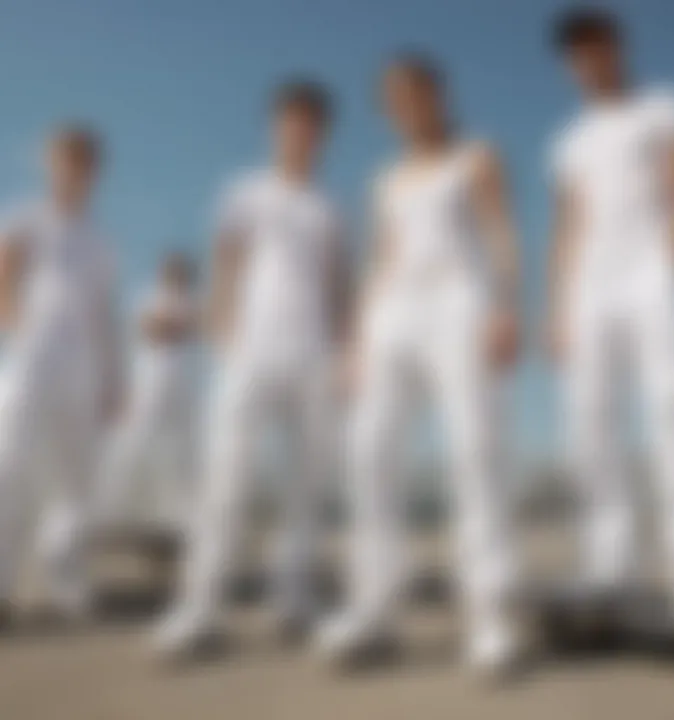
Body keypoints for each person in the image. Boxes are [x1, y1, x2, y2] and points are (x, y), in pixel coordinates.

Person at [317, 53, 524, 680]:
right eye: (394, 98)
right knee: (370, 452)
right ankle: (374, 608)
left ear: (438, 93)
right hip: (391, 317)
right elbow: (378, 262)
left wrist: (507, 307)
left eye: (416, 91)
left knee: (472, 450)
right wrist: (354, 343)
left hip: (457, 305)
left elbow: (500, 232)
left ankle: (490, 617)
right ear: (388, 110)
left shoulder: (476, 155)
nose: (406, 105)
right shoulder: (384, 179)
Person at [546, 8, 674, 656]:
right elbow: (570, 222)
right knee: (589, 421)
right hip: (589, 285)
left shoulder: (664, 106)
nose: (587, 61)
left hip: (651, 269)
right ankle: (611, 566)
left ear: (617, 47)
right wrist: (559, 305)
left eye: (596, 46)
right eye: (576, 53)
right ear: (570, 64)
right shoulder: (569, 140)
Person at [155, 79, 349, 655]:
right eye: (290, 119)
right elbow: (226, 260)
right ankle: (200, 609)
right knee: (226, 479)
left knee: (308, 485)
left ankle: (294, 600)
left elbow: (340, 285)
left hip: (314, 353)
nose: (300, 130)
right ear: (274, 126)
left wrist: (344, 349)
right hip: (251, 349)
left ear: (323, 133)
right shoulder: (244, 190)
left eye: (311, 122)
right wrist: (223, 326)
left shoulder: (330, 208)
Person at [0, 126, 121, 623]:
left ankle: (66, 585)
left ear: (94, 171)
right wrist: (16, 324)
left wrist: (115, 379)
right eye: (66, 159)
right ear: (51, 164)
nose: (75, 169)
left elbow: (105, 315)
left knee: (76, 481)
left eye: (84, 161)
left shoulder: (101, 243)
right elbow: (4, 273)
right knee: (9, 464)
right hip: (32, 355)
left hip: (83, 366)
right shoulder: (27, 218)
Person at [95, 252, 200, 533]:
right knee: (134, 441)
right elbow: (151, 328)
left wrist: (176, 326)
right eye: (174, 270)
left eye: (183, 272)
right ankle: (108, 508)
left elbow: (195, 328)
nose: (179, 276)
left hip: (182, 382)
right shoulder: (149, 296)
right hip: (150, 378)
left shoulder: (190, 303)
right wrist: (175, 326)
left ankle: (177, 514)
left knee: (180, 448)